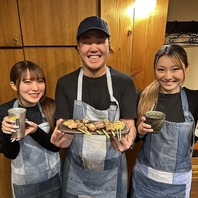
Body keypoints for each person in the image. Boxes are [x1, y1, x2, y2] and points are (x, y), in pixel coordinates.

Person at [50, 16, 137, 198]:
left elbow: (129, 124)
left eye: (100, 41)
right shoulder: (65, 83)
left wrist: (129, 139)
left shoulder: (124, 82)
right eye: (87, 42)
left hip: (112, 173)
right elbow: (63, 124)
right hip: (77, 173)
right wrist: (60, 139)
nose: (93, 48)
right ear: (78, 47)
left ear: (108, 45)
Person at [130, 44, 198, 198]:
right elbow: (130, 140)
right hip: (144, 183)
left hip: (178, 187)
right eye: (161, 69)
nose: (168, 76)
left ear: (186, 68)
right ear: (154, 69)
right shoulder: (143, 97)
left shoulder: (194, 99)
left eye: (175, 69)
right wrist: (139, 131)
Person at [0, 61, 62, 198]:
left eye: (40, 81)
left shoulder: (51, 106)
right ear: (14, 85)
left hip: (53, 178)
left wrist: (35, 131)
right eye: (27, 82)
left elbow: (56, 147)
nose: (35, 88)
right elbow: (10, 154)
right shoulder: (5, 111)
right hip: (24, 184)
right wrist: (6, 132)